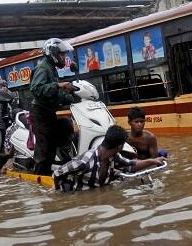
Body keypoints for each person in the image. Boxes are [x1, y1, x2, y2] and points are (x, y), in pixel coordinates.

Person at [53, 125, 165, 192]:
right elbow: (57, 174)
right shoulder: (83, 162)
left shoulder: (114, 156)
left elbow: (130, 165)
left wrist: (152, 161)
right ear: (120, 146)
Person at [30, 38, 79, 175]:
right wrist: (58, 85)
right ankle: (40, 179)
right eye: (62, 54)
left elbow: (55, 94)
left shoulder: (51, 68)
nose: (64, 57)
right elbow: (36, 89)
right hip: (40, 113)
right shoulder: (43, 68)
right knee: (45, 150)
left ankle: (64, 163)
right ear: (53, 54)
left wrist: (72, 98)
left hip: (49, 112)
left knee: (66, 125)